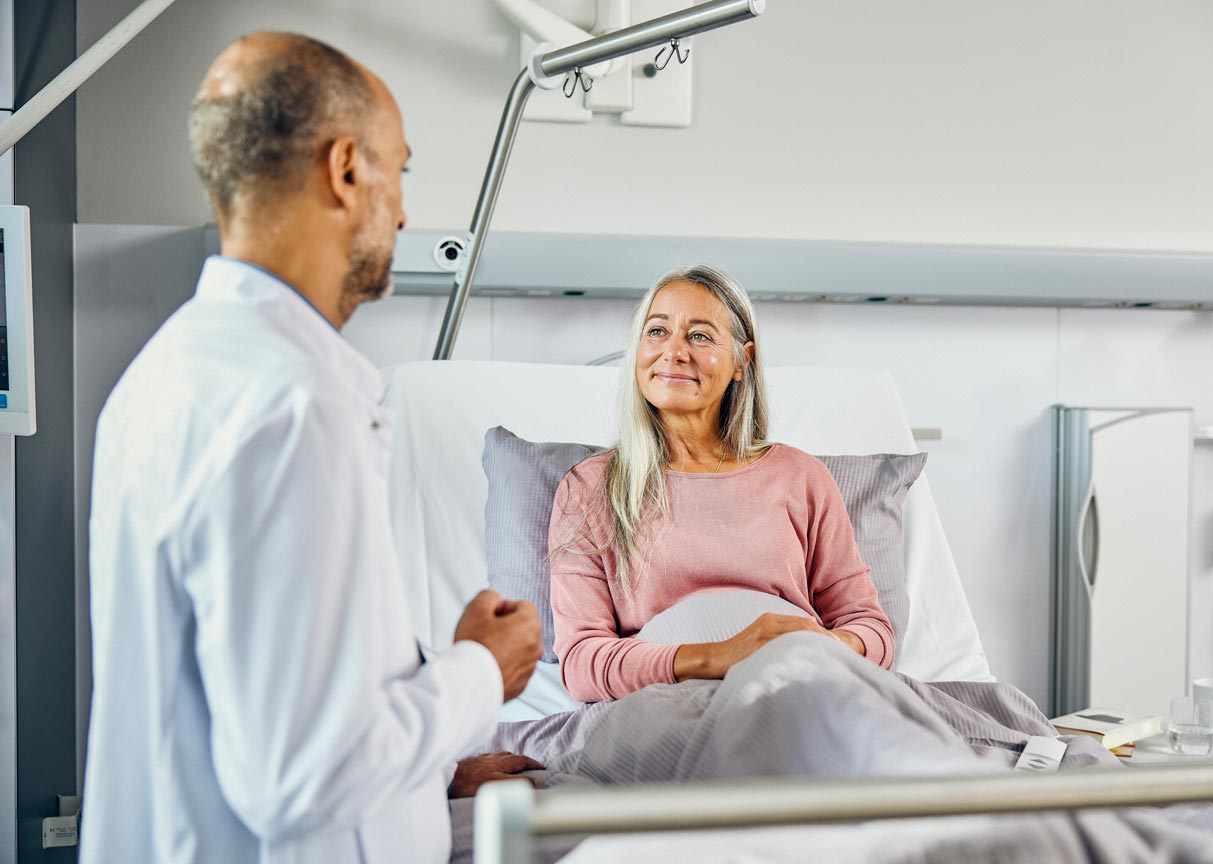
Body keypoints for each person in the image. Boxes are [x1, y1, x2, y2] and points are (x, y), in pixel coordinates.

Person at [80, 33, 542, 864]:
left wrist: (436, 764)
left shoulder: (164, 375)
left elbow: (254, 699)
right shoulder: (294, 406)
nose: (402, 211)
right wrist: (480, 673)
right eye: (398, 172)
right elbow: (304, 776)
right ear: (344, 169)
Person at [549, 265, 894, 702]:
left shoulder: (801, 477)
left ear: (741, 361)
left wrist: (824, 646)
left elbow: (872, 630)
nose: (673, 352)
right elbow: (582, 666)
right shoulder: (590, 488)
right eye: (656, 331)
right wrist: (718, 657)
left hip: (799, 691)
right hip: (664, 708)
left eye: (699, 336)